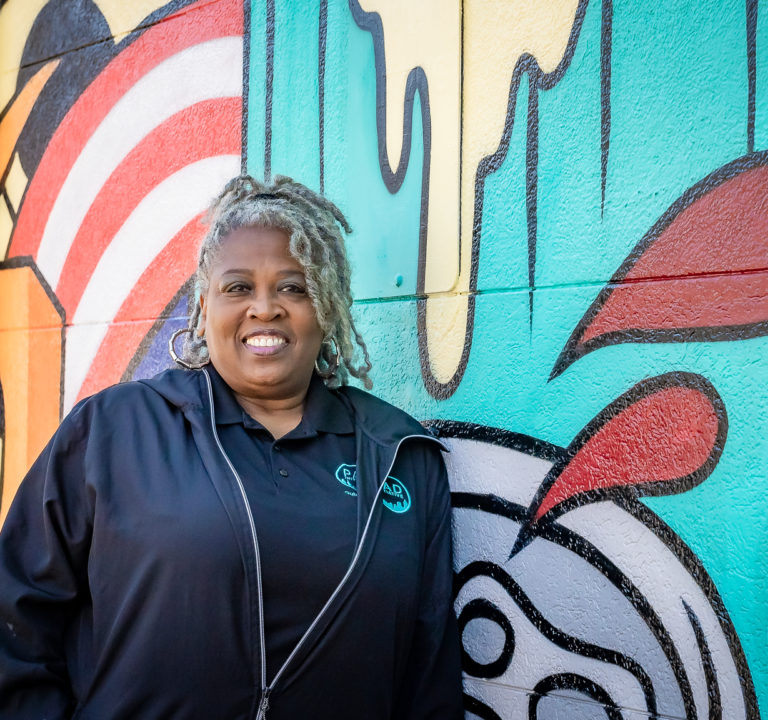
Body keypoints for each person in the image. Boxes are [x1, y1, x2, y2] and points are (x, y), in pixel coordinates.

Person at [0, 175, 464, 719]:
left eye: (294, 287)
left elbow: (428, 674)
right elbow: (16, 619)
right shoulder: (112, 430)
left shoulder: (400, 456)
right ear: (204, 305)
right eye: (238, 287)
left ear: (329, 304)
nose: (264, 308)